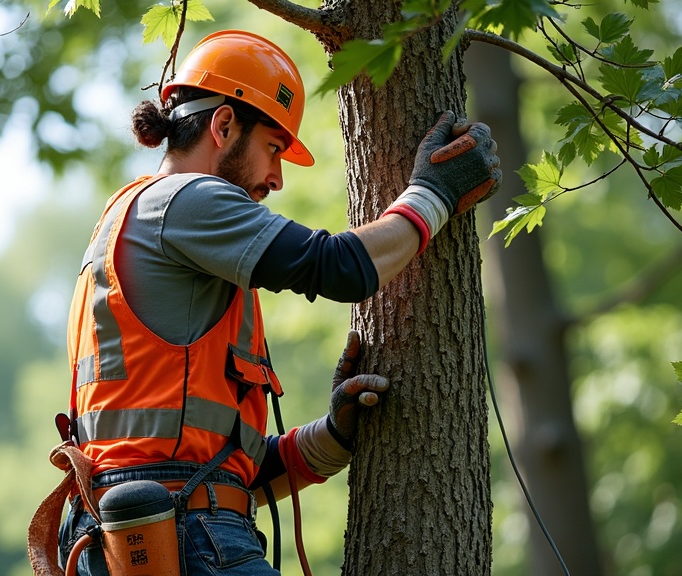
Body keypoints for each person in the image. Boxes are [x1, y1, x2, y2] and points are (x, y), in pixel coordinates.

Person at [56, 29, 502, 576]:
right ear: (223, 126)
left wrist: (332, 437)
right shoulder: (186, 201)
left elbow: (220, 473)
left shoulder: (136, 222)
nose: (276, 177)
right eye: (272, 148)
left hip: (143, 533)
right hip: (184, 534)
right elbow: (339, 266)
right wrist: (434, 193)